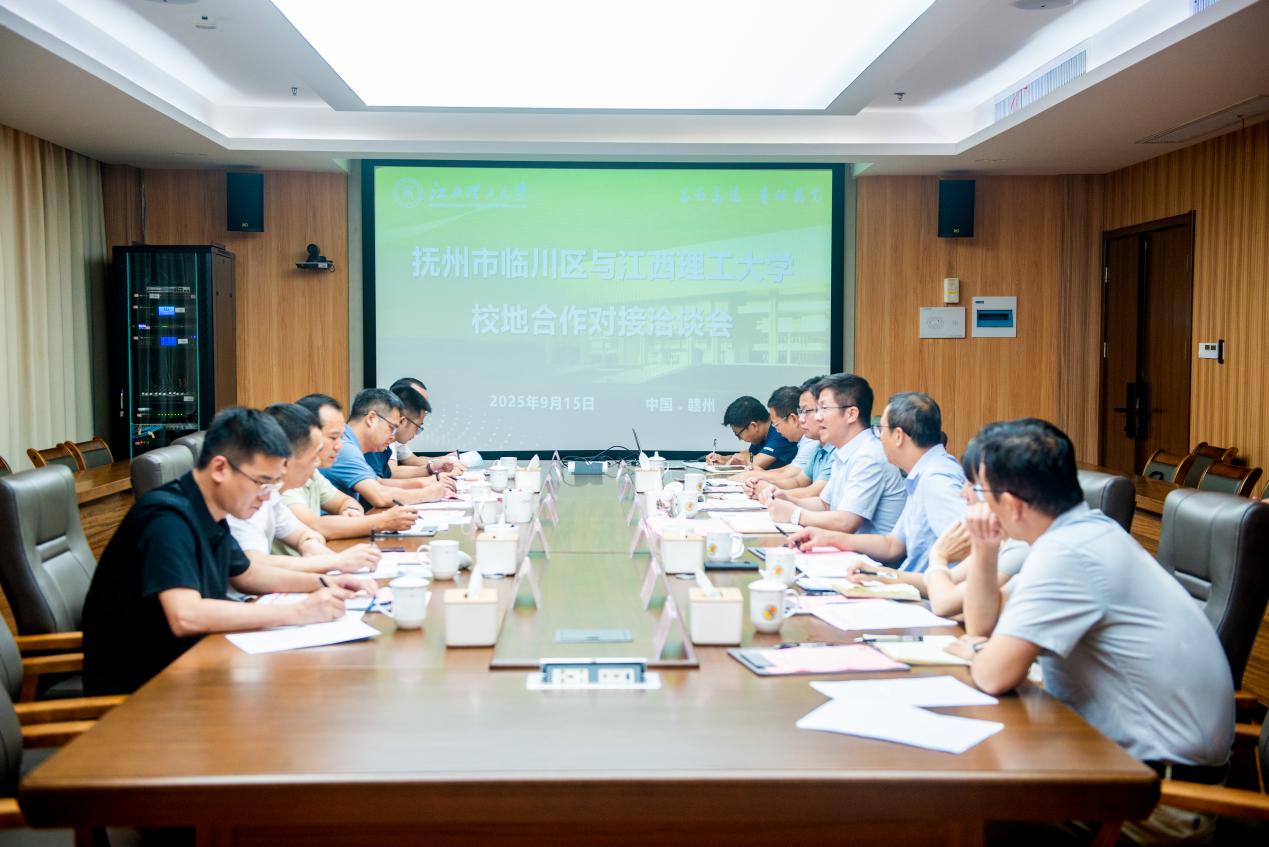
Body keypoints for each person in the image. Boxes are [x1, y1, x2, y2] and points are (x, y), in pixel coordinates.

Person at [945, 418, 1233, 845]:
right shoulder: (1082, 535)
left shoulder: (1069, 554)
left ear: (1014, 504)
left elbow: (992, 675)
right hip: (1114, 765)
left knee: (953, 810)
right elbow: (985, 623)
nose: (975, 505)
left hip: (1151, 800)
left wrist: (978, 651)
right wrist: (985, 550)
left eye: (981, 493)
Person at [82, 407, 377, 695]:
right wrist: (297, 612)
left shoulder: (211, 509)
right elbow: (186, 616)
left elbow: (248, 575)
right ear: (220, 468)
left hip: (196, 663)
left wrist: (326, 582)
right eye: (262, 483)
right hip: (146, 690)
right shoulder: (167, 519)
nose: (266, 497)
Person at [784, 392, 964, 584]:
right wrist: (829, 538)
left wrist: (887, 579)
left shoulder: (937, 481)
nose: (878, 438)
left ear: (898, 436)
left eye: (880, 430)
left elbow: (970, 558)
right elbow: (892, 545)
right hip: (909, 584)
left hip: (928, 595)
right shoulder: (922, 474)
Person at [227, 403, 382, 572]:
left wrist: (309, 543)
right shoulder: (246, 496)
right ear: (284, 459)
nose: (317, 463)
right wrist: (337, 561)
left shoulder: (271, 494)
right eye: (313, 456)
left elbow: (304, 534)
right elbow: (251, 566)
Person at [765, 374, 906, 534]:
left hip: (865, 550)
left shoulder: (869, 456)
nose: (818, 417)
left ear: (851, 414)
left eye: (824, 409)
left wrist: (794, 514)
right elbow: (825, 504)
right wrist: (786, 499)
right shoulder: (844, 451)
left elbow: (845, 522)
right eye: (817, 410)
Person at [284, 393, 418, 541]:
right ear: (307, 435)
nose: (340, 446)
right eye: (333, 437)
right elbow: (314, 526)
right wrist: (382, 521)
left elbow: (345, 501)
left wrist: (351, 511)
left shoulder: (312, 473)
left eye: (341, 437)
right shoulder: (282, 479)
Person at [321, 388, 447, 506]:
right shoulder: (345, 448)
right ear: (371, 418)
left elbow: (379, 482)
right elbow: (380, 495)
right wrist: (426, 494)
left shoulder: (351, 443)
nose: (393, 437)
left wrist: (422, 483)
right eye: (392, 428)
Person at [750, 376, 835, 500]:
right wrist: (764, 486)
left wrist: (768, 491)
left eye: (806, 411)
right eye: (801, 412)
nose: (801, 419)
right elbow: (798, 481)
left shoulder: (838, 450)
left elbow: (815, 494)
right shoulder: (819, 446)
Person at [384, 377, 465, 479]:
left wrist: (443, 460)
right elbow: (391, 473)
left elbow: (413, 460)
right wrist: (431, 472)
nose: (424, 406)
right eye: (420, 401)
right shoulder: (386, 434)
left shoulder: (397, 434)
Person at [738, 385, 814, 486]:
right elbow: (792, 468)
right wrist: (761, 473)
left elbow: (793, 474)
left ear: (792, 419)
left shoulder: (812, 440)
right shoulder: (805, 439)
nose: (776, 430)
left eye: (776, 424)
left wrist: (756, 475)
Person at [705, 395, 797, 469]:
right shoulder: (761, 436)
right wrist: (724, 459)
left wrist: (736, 459)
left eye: (738, 434)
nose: (739, 439)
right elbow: (750, 454)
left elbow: (755, 463)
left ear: (754, 426)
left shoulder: (780, 431)